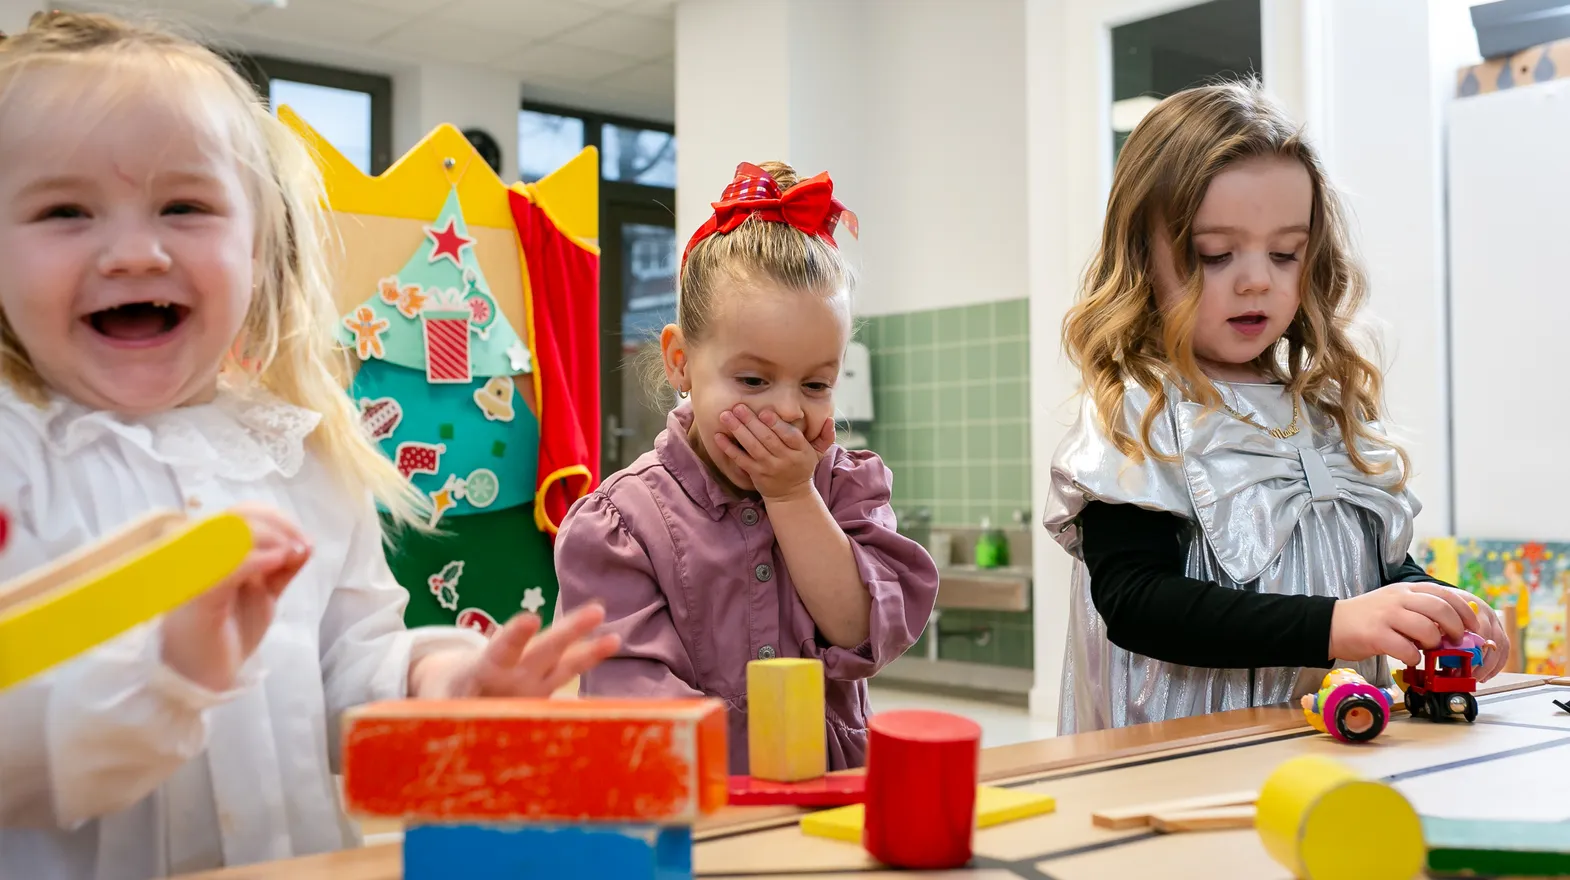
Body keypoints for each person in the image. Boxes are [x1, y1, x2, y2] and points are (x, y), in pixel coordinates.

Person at [0, 13, 618, 878]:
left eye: (185, 206)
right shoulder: (15, 458)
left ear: (259, 247)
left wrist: (442, 683)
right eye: (64, 211)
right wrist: (169, 678)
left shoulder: (300, 456)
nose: (135, 252)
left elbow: (348, 668)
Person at [1043, 80, 1510, 734]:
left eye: (1285, 252)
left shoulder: (1324, 407)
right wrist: (1337, 625)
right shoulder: (1141, 408)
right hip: (1184, 759)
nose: (1257, 278)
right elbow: (1135, 602)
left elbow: (1371, 569)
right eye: (1216, 254)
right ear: (1143, 258)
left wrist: (1433, 604)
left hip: (1334, 743)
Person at [555, 161, 939, 773]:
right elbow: (627, 697)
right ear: (680, 362)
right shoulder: (620, 525)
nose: (787, 410)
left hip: (828, 798)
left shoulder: (844, 489)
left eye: (816, 384)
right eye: (753, 379)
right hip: (693, 805)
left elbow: (859, 630)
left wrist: (792, 496)